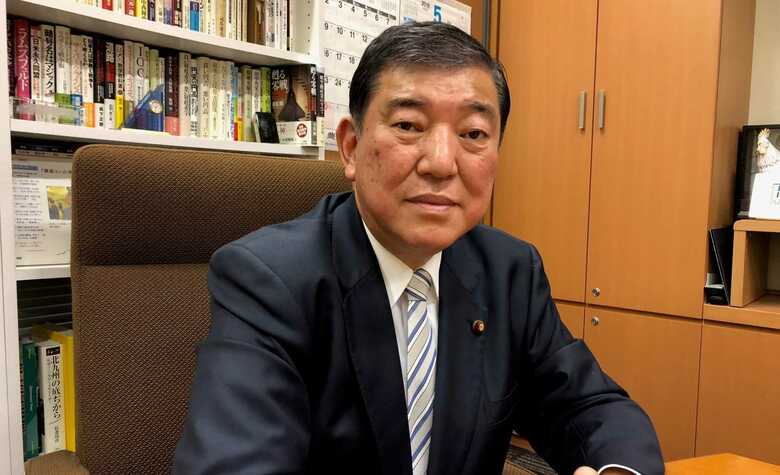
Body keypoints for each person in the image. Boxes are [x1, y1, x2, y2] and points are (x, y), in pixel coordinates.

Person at [174, 22, 663, 475]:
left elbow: (588, 407)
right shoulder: (269, 279)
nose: (442, 162)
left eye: (473, 134)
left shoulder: (509, 270)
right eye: (409, 126)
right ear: (350, 147)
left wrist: (616, 470)